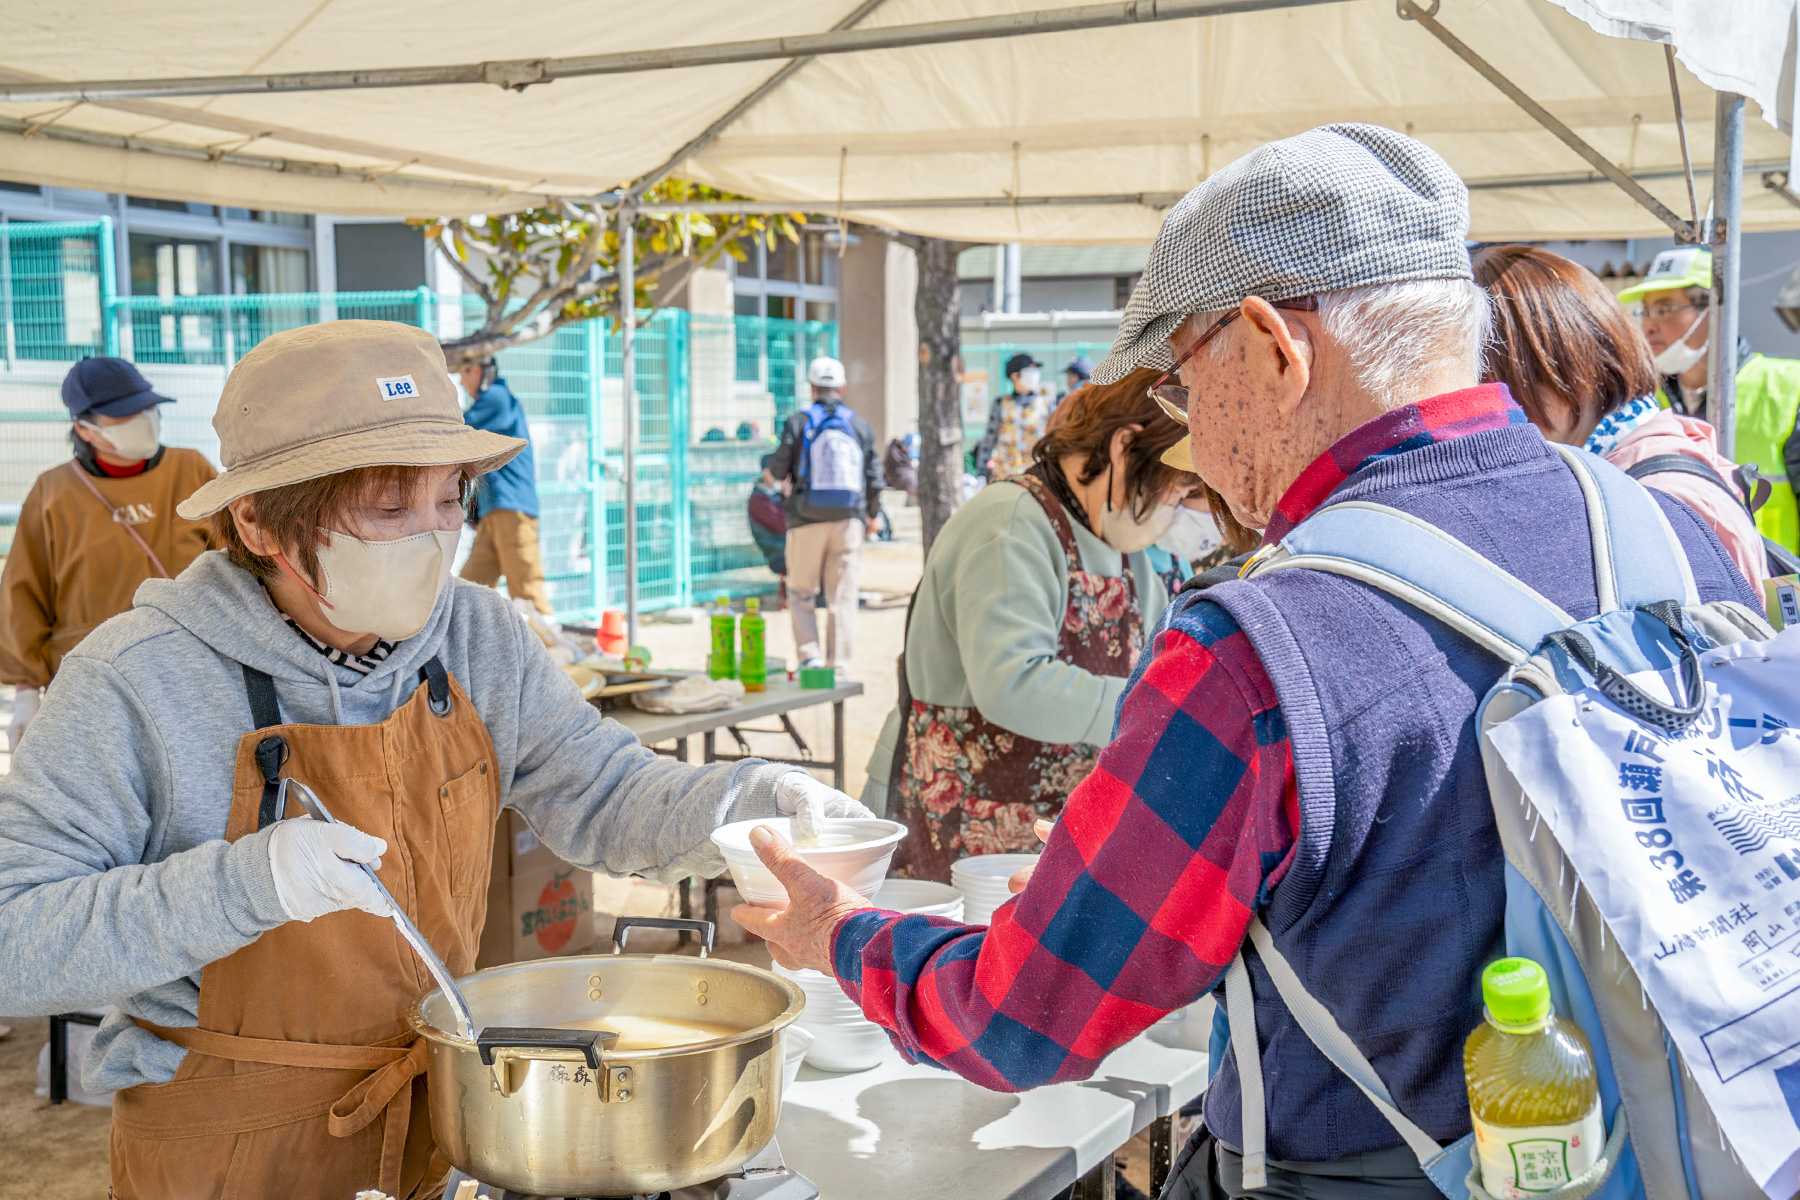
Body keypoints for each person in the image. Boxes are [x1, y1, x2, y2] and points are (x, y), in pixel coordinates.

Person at [729, 125, 1757, 1197]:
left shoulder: (1253, 656)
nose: (1191, 444)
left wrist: (837, 933)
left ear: (1272, 346)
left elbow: (1024, 1019)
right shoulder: (1675, 539)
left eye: (1180, 384)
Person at [0, 321, 872, 1200]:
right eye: (388, 508)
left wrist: (750, 802)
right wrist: (247, 886)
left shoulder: (478, 635)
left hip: (447, 1125)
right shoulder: (134, 680)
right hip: (224, 1149)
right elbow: (12, 939)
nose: (433, 540)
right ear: (259, 519)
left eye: (450, 499)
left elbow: (605, 791)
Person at [871, 370, 1200, 879]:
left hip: (1052, 828)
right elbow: (1014, 684)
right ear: (1123, 447)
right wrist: (1151, 707)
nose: (1174, 508)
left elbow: (1155, 662)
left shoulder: (1120, 543)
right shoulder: (1009, 523)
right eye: (1173, 488)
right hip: (972, 825)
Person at [1475, 244, 1768, 591]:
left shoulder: (1664, 501)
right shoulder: (1618, 459)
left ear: (1566, 364)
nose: (1491, 411)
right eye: (1646, 311)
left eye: (1497, 384)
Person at [0, 356, 216, 752]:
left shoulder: (193, 470)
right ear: (84, 428)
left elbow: (242, 564)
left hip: (192, 673)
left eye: (148, 408)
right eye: (125, 415)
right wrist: (26, 690)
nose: (145, 419)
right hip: (90, 681)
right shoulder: (54, 492)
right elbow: (23, 591)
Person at [1620, 245, 1800, 553]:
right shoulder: (1641, 402)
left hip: (1773, 593)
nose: (1649, 326)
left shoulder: (1787, 386)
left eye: (1664, 310)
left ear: (1714, 310)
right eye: (1645, 311)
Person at [765, 356, 883, 671]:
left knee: (802, 591)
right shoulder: (859, 425)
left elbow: (778, 467)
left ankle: (810, 657)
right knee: (842, 597)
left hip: (805, 520)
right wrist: (873, 514)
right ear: (841, 388)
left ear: (812, 388)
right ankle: (840, 664)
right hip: (848, 521)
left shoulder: (798, 422)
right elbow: (873, 475)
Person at [456, 356, 551, 616]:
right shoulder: (495, 400)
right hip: (495, 511)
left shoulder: (497, 397)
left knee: (527, 590)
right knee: (469, 590)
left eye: (462, 376)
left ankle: (551, 651)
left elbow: (456, 432)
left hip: (511, 509)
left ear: (475, 370)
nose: (461, 384)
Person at [975, 352, 1054, 480]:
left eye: (1036, 370)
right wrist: (982, 472)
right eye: (1030, 371)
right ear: (1015, 376)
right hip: (1005, 474)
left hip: (1037, 476)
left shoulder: (1046, 404)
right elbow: (989, 440)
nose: (1035, 375)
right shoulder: (1001, 404)